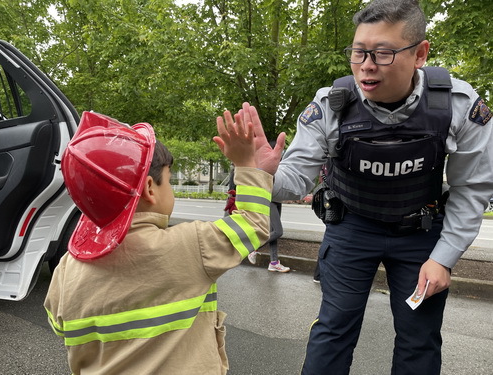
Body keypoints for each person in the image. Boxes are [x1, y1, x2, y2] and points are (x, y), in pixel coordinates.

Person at [239, 1, 493, 374]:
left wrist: (444, 258)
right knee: (333, 329)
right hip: (351, 228)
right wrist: (259, 173)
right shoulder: (331, 105)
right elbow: (294, 182)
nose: (367, 65)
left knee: (419, 337)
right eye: (358, 52)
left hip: (421, 233)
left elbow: (472, 187)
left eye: (383, 53)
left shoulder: (458, 105)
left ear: (420, 53)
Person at [44, 110, 273, 374]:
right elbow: (253, 224)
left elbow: (59, 325)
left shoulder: (66, 269)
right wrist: (246, 165)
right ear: (150, 188)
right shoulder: (191, 246)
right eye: (170, 179)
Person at [247, 201, 290, 272]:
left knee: (273, 231)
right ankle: (254, 248)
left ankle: (274, 263)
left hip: (278, 199)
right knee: (278, 232)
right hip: (270, 200)